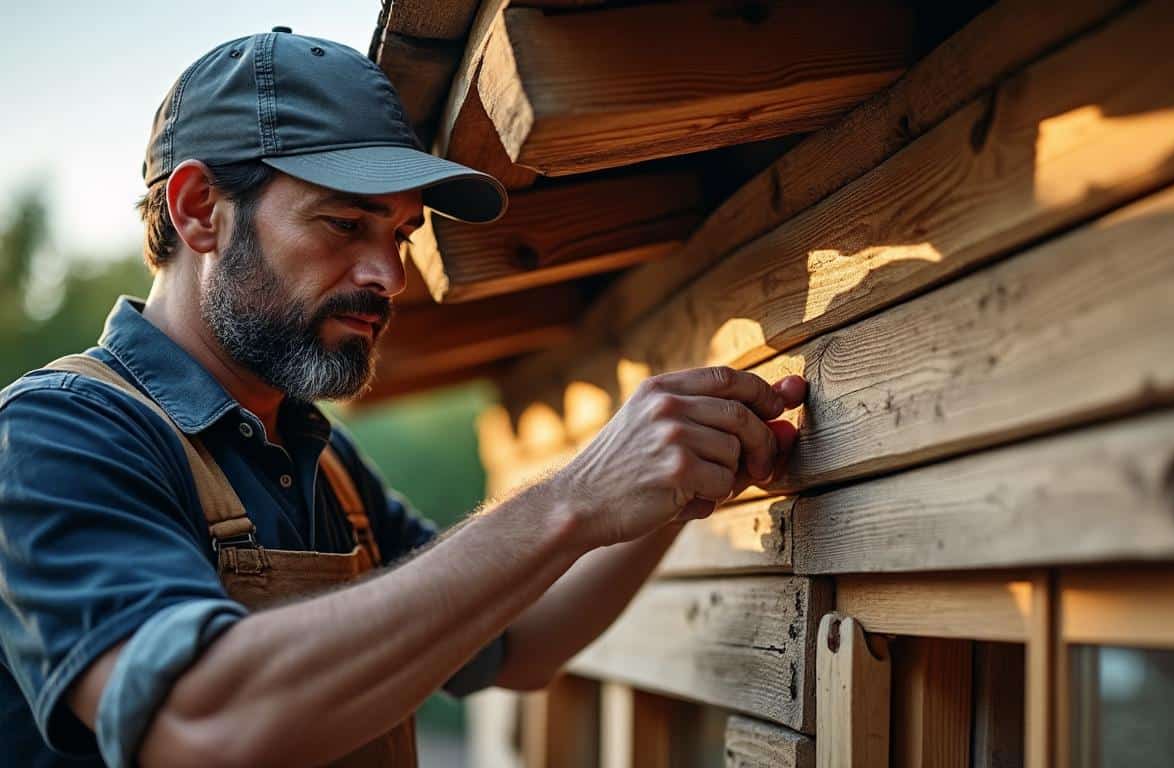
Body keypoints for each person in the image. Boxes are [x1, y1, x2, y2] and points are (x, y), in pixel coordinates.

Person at [0, 28, 806, 768]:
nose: (391, 278)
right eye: (346, 225)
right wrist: (573, 495)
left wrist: (675, 480)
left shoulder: (322, 463)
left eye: (401, 235)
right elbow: (196, 721)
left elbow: (516, 640)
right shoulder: (56, 434)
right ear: (199, 210)